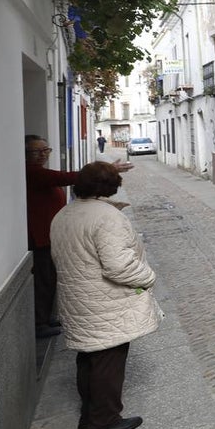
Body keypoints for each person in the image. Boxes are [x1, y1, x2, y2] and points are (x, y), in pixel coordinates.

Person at [50, 161, 160, 429]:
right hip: (104, 301)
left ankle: (89, 414)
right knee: (108, 360)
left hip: (78, 298)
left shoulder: (64, 213)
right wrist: (148, 277)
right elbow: (118, 266)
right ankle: (105, 420)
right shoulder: (106, 217)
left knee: (88, 356)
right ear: (111, 187)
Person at [25, 135, 132, 338]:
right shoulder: (32, 172)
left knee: (49, 278)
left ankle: (46, 318)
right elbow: (64, 177)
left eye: (46, 150)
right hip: (41, 237)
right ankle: (40, 323)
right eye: (36, 151)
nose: (42, 155)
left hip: (48, 236)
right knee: (44, 280)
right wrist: (109, 170)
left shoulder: (38, 172)